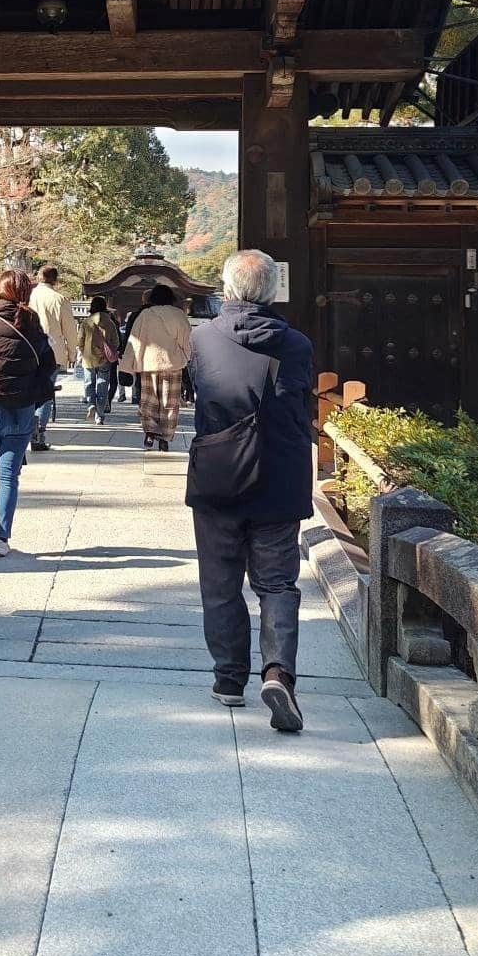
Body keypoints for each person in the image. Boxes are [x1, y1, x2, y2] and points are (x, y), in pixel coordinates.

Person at [186, 248, 313, 734]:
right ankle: (278, 672)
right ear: (271, 291)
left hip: (219, 472)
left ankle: (229, 680)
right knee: (277, 582)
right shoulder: (297, 344)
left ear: (228, 289)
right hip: (280, 474)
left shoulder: (202, 338)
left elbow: (202, 391)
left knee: (220, 582)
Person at [0, 270, 56, 555]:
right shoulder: (34, 328)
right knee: (9, 476)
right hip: (22, 409)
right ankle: (2, 539)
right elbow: (49, 367)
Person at [125, 282, 192, 452]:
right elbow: (187, 342)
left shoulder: (145, 315)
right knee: (169, 403)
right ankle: (165, 437)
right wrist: (188, 358)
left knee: (149, 401)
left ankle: (150, 431)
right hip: (173, 364)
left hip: (148, 364)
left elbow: (134, 342)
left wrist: (126, 366)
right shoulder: (179, 315)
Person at [29, 265, 76, 451]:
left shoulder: (28, 297)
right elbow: (70, 329)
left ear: (38, 277)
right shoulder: (60, 299)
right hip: (52, 351)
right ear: (55, 280)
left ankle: (25, 428)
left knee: (27, 390)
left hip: (27, 350)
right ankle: (39, 433)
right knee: (46, 393)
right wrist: (72, 353)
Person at [78, 293, 120, 425]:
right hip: (104, 358)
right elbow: (116, 342)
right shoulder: (110, 323)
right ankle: (100, 416)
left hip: (88, 357)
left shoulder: (86, 322)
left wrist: (82, 350)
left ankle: (91, 404)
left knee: (89, 383)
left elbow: (80, 341)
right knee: (102, 384)